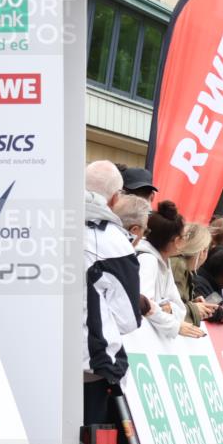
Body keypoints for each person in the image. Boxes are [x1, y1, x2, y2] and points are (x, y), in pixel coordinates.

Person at [83, 160, 144, 425]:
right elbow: (127, 319)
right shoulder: (114, 241)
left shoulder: (43, 225)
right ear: (115, 198)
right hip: (92, 365)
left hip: (36, 358)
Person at [137, 201, 203, 339]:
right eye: (184, 237)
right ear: (177, 240)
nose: (185, 240)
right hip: (139, 338)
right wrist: (174, 325)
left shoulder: (164, 261)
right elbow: (144, 304)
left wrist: (170, 308)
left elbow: (180, 308)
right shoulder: (148, 260)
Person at [171, 223, 217, 327]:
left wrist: (193, 304)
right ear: (203, 252)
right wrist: (194, 308)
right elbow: (168, 307)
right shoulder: (178, 266)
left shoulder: (180, 265)